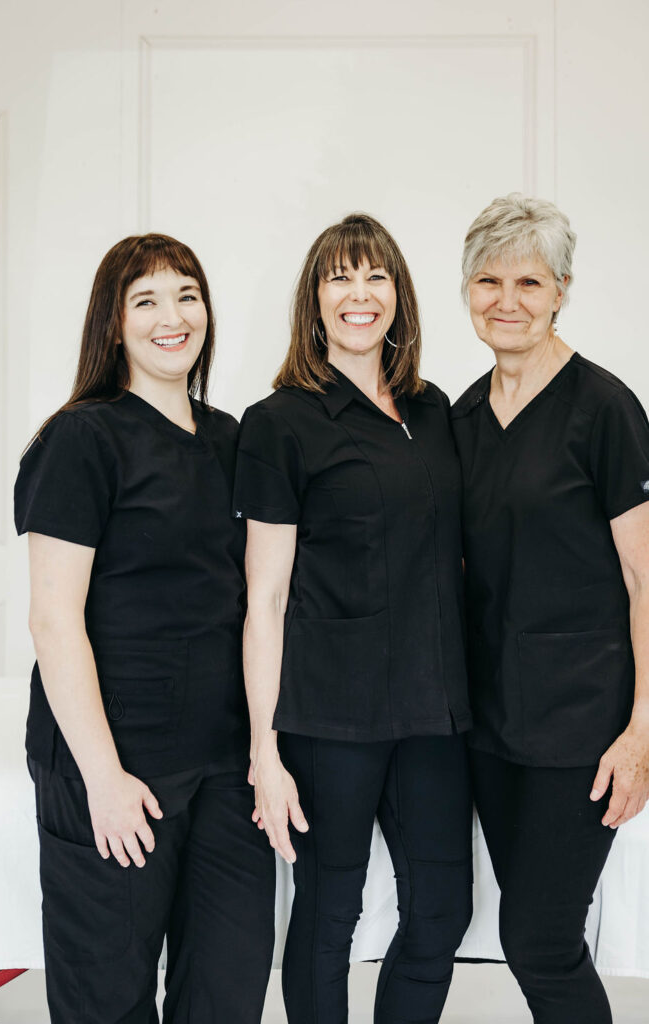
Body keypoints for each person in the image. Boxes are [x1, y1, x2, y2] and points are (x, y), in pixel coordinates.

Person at [14, 233, 275, 1023]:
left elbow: (262, 598)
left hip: (224, 767)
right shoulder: (82, 438)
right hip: (117, 764)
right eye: (147, 300)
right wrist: (103, 779)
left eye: (187, 294)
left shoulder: (234, 440)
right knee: (108, 1004)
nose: (173, 316)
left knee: (224, 995)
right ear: (114, 324)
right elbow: (53, 619)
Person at [233, 213, 473, 1024]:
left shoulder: (433, 409)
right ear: (315, 301)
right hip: (329, 715)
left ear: (399, 298)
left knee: (441, 909)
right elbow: (263, 599)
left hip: (433, 713)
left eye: (375, 277)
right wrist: (264, 747)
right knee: (328, 915)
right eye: (340, 277)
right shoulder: (279, 423)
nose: (358, 293)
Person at [451, 193, 649, 1023]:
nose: (506, 301)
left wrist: (642, 731)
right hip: (491, 726)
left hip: (583, 727)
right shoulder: (458, 418)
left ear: (562, 290)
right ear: (466, 291)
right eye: (487, 280)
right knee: (532, 938)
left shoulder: (605, 411)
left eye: (528, 282)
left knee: (537, 936)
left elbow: (645, 580)